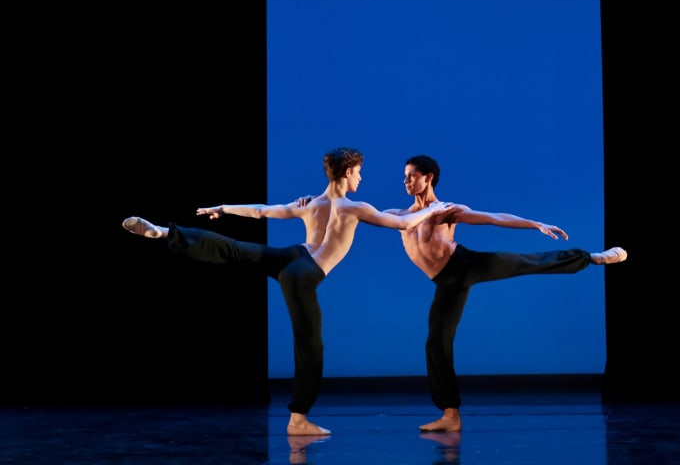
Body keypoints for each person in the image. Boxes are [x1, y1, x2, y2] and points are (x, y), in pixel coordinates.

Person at [121, 147, 453, 436]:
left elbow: (263, 211)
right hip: (304, 272)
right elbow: (403, 223)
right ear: (348, 172)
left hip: (290, 255)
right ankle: (298, 420)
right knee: (310, 347)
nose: (361, 178)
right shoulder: (356, 208)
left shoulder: (311, 204)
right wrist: (434, 209)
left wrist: (224, 208)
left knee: (236, 249)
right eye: (359, 172)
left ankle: (166, 233)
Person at [297, 154, 627, 432]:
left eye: (411, 176)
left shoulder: (446, 210)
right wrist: (312, 202)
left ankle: (592, 258)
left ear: (428, 177)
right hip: (446, 282)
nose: (406, 181)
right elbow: (349, 211)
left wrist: (535, 224)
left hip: (465, 265)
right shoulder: (399, 216)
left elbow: (494, 218)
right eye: (404, 176)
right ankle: (450, 416)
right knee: (436, 342)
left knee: (525, 262)